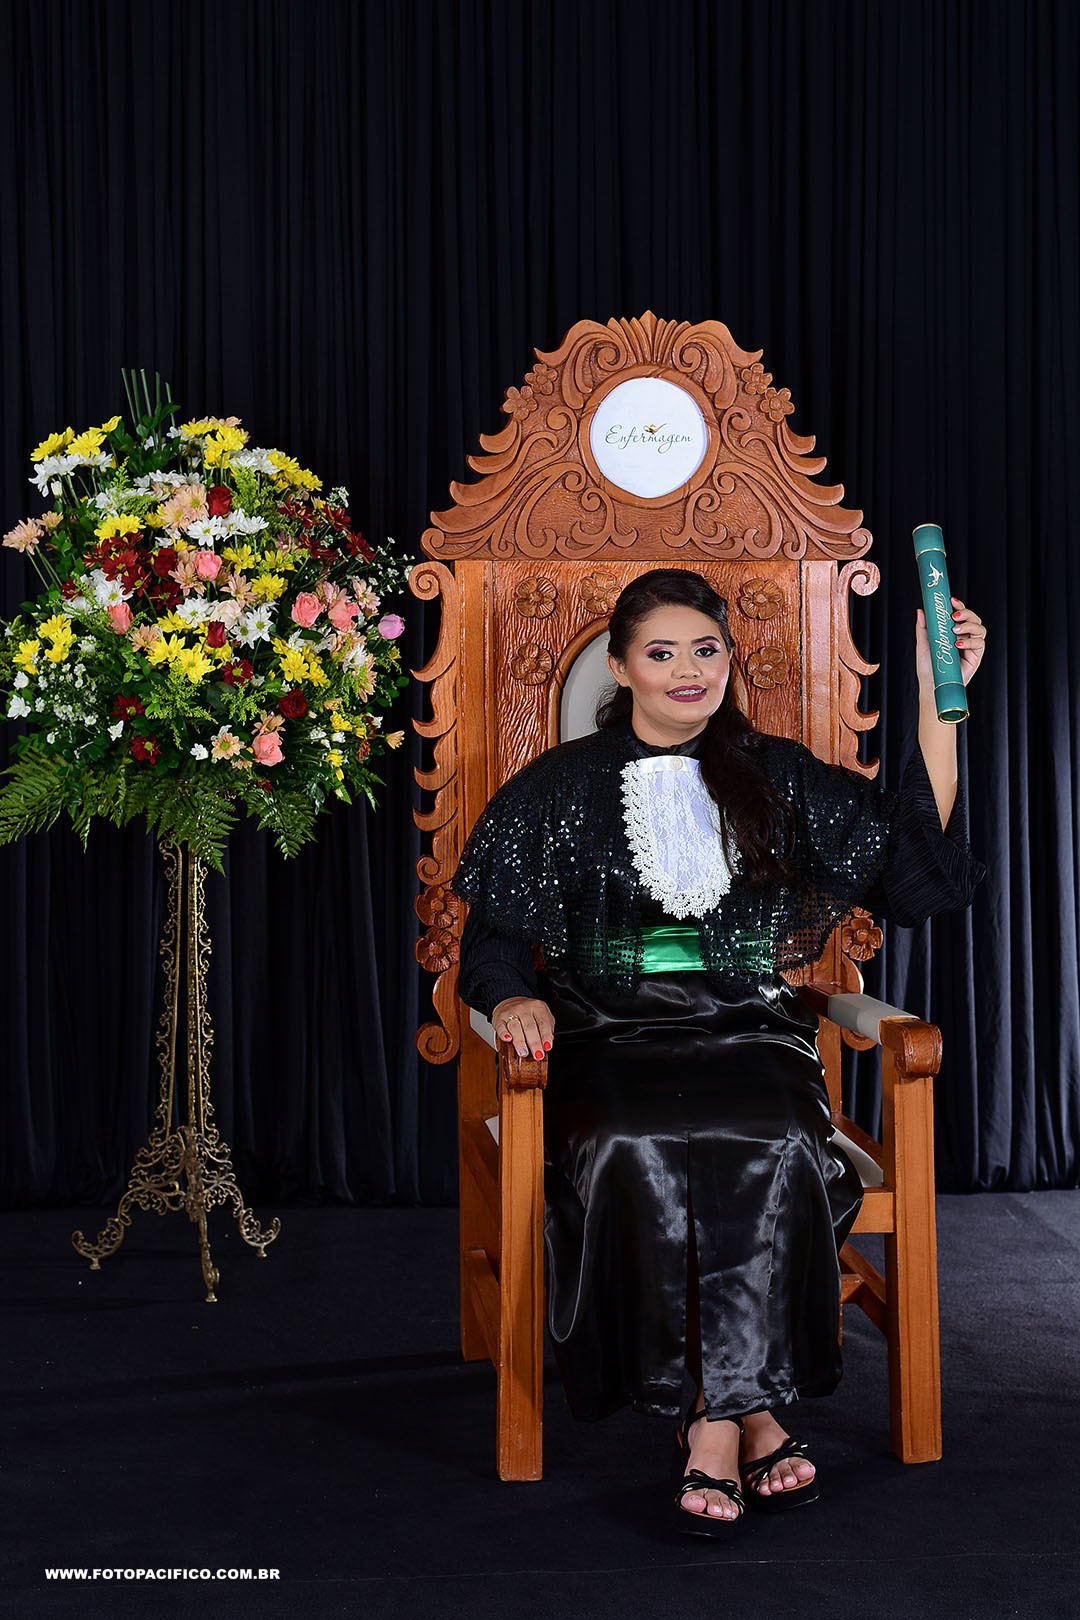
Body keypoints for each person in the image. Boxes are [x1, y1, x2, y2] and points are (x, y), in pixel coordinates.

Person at [450, 568, 986, 1534]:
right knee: (629, 1145)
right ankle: (753, 1411)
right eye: (661, 653)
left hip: (748, 1029)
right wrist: (515, 996)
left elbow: (910, 864)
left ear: (730, 660)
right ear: (620, 667)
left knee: (774, 1137)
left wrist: (935, 699)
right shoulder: (554, 788)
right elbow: (489, 946)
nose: (687, 670)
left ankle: (711, 1421)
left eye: (706, 649)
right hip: (606, 1036)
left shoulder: (776, 774)